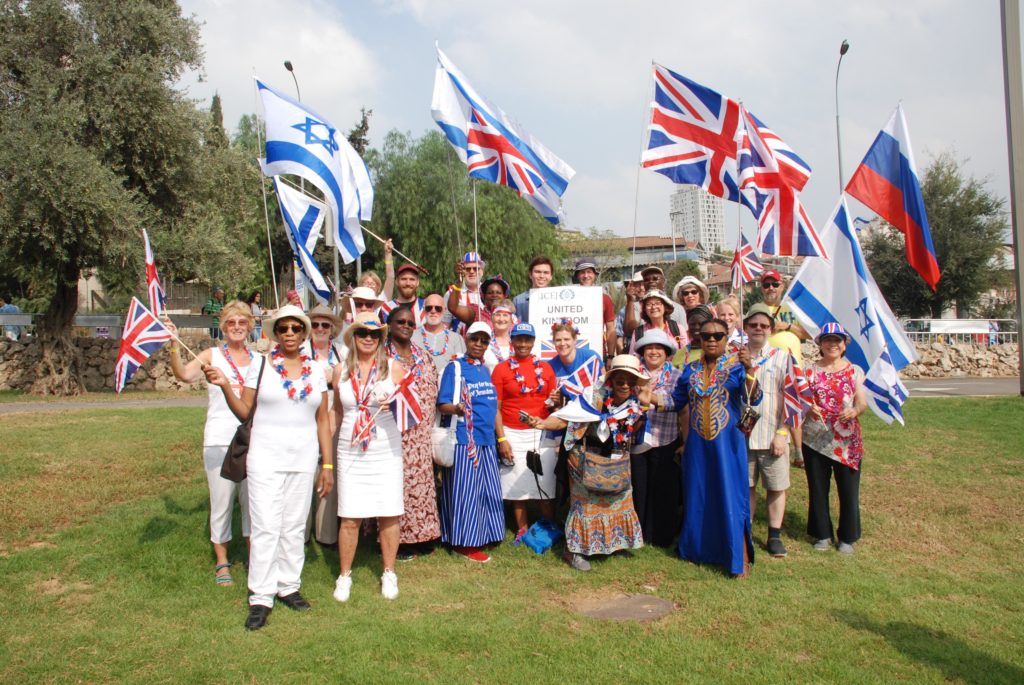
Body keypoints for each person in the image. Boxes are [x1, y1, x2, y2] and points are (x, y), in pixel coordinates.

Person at [204, 304, 333, 630]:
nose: (289, 333)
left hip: (302, 459)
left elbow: (322, 420)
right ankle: (260, 596)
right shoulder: (260, 365)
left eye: (296, 328)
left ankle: (288, 585)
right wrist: (223, 385)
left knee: (293, 524)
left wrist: (327, 463)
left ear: (304, 333)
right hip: (265, 458)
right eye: (283, 328)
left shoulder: (317, 369)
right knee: (265, 526)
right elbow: (245, 410)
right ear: (275, 333)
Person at [525, 355, 651, 572]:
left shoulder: (635, 404)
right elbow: (566, 418)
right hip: (583, 457)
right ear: (611, 381)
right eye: (620, 380)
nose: (626, 385)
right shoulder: (593, 397)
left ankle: (614, 543)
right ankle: (573, 551)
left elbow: (632, 432)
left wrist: (644, 407)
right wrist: (543, 423)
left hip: (615, 459)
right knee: (585, 506)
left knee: (619, 500)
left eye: (631, 381)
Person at [165, 301, 253, 587]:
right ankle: (222, 561)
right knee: (222, 501)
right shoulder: (210, 355)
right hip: (219, 439)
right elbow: (184, 375)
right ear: (224, 327)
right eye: (231, 323)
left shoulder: (259, 358)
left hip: (252, 439)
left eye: (242, 322)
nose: (237, 327)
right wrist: (174, 346)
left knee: (252, 501)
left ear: (250, 325)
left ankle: (254, 556)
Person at [660, 317, 757, 577]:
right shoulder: (690, 369)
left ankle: (739, 556)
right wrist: (652, 400)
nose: (712, 340)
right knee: (699, 495)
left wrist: (750, 373)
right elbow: (676, 401)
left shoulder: (738, 367)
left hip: (728, 447)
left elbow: (754, 398)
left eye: (718, 336)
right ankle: (696, 550)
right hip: (698, 447)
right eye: (706, 336)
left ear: (727, 339)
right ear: (699, 340)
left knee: (730, 495)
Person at [331, 312, 408, 602]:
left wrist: (395, 405)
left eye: (374, 334)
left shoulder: (394, 368)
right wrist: (326, 454)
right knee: (349, 515)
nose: (368, 338)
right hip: (350, 447)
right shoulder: (340, 371)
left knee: (389, 512)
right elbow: (337, 412)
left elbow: (407, 409)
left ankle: (389, 571)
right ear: (352, 336)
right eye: (362, 332)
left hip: (385, 448)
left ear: (381, 339)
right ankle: (344, 575)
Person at [436, 321, 505, 563]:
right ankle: (464, 543)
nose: (479, 344)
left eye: (484, 340)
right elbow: (442, 403)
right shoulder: (455, 367)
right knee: (466, 492)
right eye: (475, 339)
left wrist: (500, 437)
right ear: (466, 338)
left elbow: (493, 405)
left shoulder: (485, 369)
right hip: (465, 439)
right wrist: (455, 408)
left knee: (485, 491)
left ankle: (484, 534)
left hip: (486, 438)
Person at [802, 323, 868, 554]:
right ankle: (822, 534)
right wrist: (808, 407)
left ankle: (848, 537)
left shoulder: (854, 370)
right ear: (820, 344)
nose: (833, 344)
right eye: (828, 340)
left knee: (848, 490)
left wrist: (855, 411)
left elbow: (862, 400)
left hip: (847, 442)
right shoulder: (809, 371)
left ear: (844, 344)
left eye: (837, 340)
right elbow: (802, 398)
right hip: (815, 439)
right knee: (818, 489)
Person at [492, 323, 558, 542]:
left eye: (527, 339)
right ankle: (522, 528)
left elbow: (552, 404)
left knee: (545, 481)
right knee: (515, 483)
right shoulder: (501, 369)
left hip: (540, 432)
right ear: (512, 341)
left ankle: (549, 527)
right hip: (512, 431)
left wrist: (555, 403)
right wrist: (502, 438)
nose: (523, 344)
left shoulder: (546, 369)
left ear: (533, 341)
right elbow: (496, 409)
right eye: (518, 339)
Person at [385, 304, 441, 560]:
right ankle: (400, 540)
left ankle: (423, 534)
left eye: (410, 323)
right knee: (398, 486)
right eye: (400, 322)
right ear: (389, 325)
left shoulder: (422, 354)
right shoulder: (381, 355)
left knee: (422, 485)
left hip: (420, 434)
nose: (406, 326)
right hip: (392, 433)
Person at [742, 304, 792, 558]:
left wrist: (783, 433)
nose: (758, 329)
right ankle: (746, 531)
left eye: (763, 325)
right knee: (747, 486)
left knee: (775, 486)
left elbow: (792, 399)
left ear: (771, 329)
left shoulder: (782, 357)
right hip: (744, 436)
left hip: (773, 434)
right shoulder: (735, 355)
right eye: (753, 325)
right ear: (746, 327)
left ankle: (774, 535)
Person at [630, 329, 682, 547]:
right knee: (638, 487)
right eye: (649, 348)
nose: (653, 352)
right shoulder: (632, 373)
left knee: (662, 488)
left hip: (665, 438)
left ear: (666, 352)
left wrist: (649, 397)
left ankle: (660, 535)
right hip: (636, 440)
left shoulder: (678, 375)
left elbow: (677, 403)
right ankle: (637, 532)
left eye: (658, 348)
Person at [545, 320, 606, 505]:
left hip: (591, 422)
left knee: (592, 467)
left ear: (575, 339)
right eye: (558, 340)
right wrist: (554, 401)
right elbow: (549, 401)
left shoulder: (591, 357)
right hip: (565, 423)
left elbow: (604, 387)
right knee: (568, 470)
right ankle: (571, 510)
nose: (562, 344)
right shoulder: (550, 366)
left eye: (566, 339)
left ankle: (596, 506)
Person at [305, 305, 347, 547]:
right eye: (316, 324)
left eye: (325, 325)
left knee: (327, 467)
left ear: (332, 329)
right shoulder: (300, 351)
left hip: (333, 408)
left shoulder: (341, 351)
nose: (320, 329)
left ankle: (325, 532)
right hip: (305, 409)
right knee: (305, 470)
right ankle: (300, 531)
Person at [759, 270, 809, 362]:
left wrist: (787, 326)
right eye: (766, 285)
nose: (771, 288)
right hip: (766, 365)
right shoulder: (756, 310)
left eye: (775, 284)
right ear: (762, 288)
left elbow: (808, 334)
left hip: (793, 367)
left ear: (782, 287)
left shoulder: (794, 308)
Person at [571, 257, 617, 358]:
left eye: (589, 272)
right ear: (578, 276)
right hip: (573, 354)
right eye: (582, 272)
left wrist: (610, 356)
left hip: (598, 353)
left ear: (595, 275)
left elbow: (610, 329)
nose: (586, 275)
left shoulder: (605, 299)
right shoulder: (569, 299)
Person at [412, 292, 466, 376]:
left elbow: (463, 368)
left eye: (438, 308)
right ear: (423, 309)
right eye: (429, 308)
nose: (433, 311)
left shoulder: (457, 339)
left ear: (444, 310)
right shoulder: (412, 337)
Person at [626, 289, 683, 354]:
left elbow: (686, 355)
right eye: (649, 304)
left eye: (658, 303)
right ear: (644, 309)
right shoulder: (638, 333)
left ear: (665, 306)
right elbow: (634, 358)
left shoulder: (677, 329)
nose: (653, 307)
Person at [447, 251, 487, 334]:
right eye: (468, 269)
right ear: (462, 271)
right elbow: (445, 325)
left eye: (475, 268)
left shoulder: (488, 291)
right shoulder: (451, 293)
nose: (472, 272)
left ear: (482, 271)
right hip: (459, 342)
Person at [512, 255, 555, 324]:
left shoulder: (558, 300)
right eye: (537, 272)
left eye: (546, 272)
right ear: (530, 274)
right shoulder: (518, 301)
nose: (541, 276)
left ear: (551, 276)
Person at [482, 299, 515, 371]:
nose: (501, 319)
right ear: (492, 318)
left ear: (511, 319)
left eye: (505, 315)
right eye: (497, 315)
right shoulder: (484, 341)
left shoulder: (517, 341)